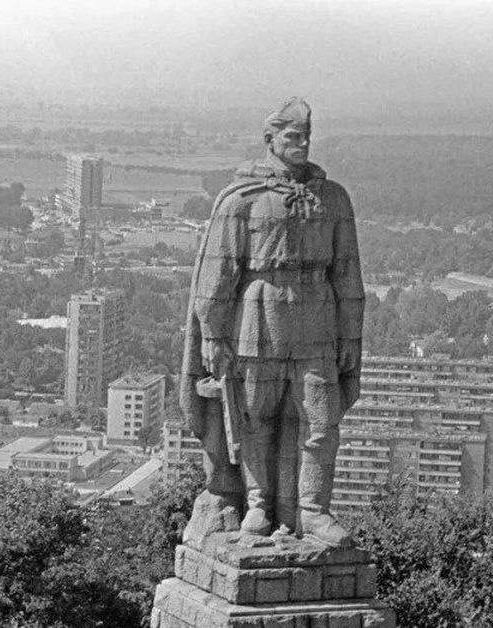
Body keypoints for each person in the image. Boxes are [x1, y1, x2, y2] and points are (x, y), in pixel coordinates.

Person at [180, 97, 364, 547]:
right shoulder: (243, 199)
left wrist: (350, 334)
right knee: (255, 416)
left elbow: (347, 272)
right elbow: (217, 272)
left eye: (306, 136)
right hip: (257, 315)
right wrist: (214, 333)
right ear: (271, 140)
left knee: (320, 422)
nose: (302, 144)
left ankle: (311, 511)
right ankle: (259, 503)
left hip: (317, 317)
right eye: (292, 136)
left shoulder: (333, 198)